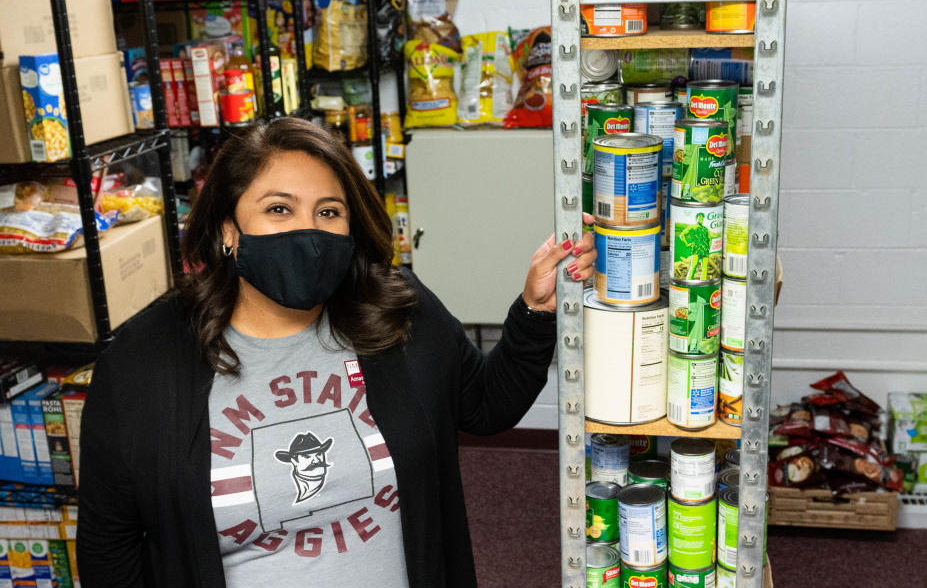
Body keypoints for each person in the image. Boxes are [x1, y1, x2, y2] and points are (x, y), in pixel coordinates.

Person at [76, 118, 595, 587]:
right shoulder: (144, 363)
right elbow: (110, 547)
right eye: (279, 209)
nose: (309, 231)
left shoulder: (394, 309)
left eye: (329, 212)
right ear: (229, 229)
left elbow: (485, 405)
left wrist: (535, 309)